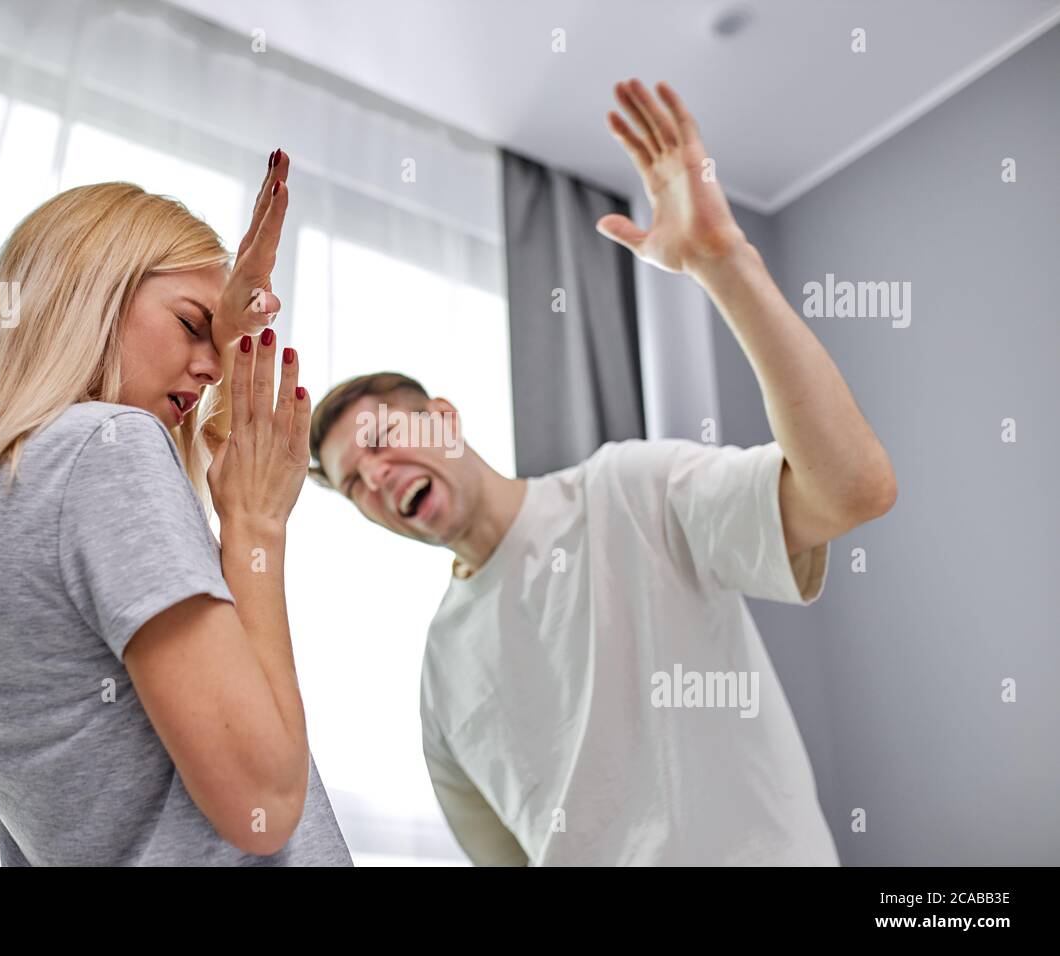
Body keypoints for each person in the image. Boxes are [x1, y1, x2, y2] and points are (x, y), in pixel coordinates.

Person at [307, 80, 897, 866]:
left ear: (443, 417)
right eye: (352, 483)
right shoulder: (440, 686)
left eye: (381, 439)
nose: (375, 477)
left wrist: (725, 267)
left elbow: (854, 489)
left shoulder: (629, 491)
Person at [0, 151, 352, 865]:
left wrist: (228, 344)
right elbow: (265, 807)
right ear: (86, 291)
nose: (214, 367)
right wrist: (257, 526)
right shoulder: (106, 449)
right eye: (193, 326)